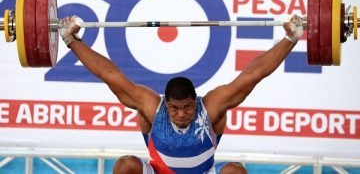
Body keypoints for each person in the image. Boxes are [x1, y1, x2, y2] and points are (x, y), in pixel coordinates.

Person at [59, 15, 303, 174]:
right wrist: (71, 40)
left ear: (195, 101)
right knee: (126, 166)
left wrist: (291, 37)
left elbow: (253, 75)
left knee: (235, 171)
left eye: (187, 107)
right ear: (166, 104)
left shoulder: (211, 107)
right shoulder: (151, 106)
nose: (182, 113)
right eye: (175, 108)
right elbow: (109, 74)